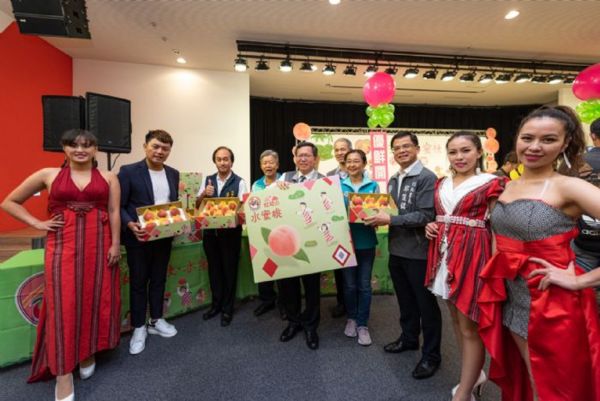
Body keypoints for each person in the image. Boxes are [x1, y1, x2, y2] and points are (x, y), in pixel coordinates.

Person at [477, 106, 600, 401]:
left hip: (553, 304)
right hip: (513, 297)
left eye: (548, 139)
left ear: (565, 143)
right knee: (531, 379)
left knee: (555, 388)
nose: (534, 147)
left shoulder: (569, 186)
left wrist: (581, 280)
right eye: (527, 138)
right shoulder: (508, 185)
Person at [1, 129, 121, 401]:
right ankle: (63, 373)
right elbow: (9, 202)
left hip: (99, 245)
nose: (80, 150)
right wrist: (36, 223)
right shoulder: (48, 174)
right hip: (62, 246)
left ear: (95, 149)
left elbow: (114, 211)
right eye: (73, 144)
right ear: (64, 148)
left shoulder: (109, 177)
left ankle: (87, 351)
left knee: (93, 298)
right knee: (63, 305)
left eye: (87, 145)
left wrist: (115, 244)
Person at [424, 132, 505, 401]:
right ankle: (473, 376)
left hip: (473, 256)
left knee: (470, 326)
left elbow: (499, 229)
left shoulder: (491, 182)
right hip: (444, 255)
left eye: (466, 150)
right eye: (453, 152)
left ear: (479, 152)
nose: (459, 157)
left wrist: (494, 267)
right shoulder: (442, 183)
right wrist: (431, 224)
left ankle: (464, 392)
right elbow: (441, 215)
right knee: (456, 321)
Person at [365, 132, 442, 380]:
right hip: (397, 249)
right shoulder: (393, 179)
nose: (401, 151)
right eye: (397, 148)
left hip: (419, 253)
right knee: (406, 301)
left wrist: (390, 219)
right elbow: (393, 212)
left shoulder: (426, 177)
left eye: (406, 146)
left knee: (426, 306)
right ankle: (409, 339)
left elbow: (425, 215)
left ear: (417, 148)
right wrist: (378, 217)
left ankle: (431, 355)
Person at [119, 130, 179, 355]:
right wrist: (129, 224)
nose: (160, 151)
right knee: (138, 282)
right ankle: (138, 327)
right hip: (139, 237)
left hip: (164, 237)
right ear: (145, 146)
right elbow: (120, 205)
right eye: (155, 146)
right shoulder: (128, 172)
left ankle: (156, 319)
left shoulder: (173, 173)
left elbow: (172, 204)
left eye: (165, 148)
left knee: (158, 279)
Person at [277, 141, 324, 350]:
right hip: (288, 241)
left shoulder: (324, 182)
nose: (302, 159)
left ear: (315, 159)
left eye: (307, 155)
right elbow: (270, 202)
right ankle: (293, 321)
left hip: (313, 243)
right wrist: (276, 190)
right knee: (289, 285)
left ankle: (311, 326)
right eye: (299, 155)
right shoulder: (284, 178)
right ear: (294, 158)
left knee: (312, 286)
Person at [196, 146, 247, 327]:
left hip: (230, 236)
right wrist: (204, 194)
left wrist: (235, 214)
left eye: (226, 159)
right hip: (210, 235)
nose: (223, 162)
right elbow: (196, 205)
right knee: (214, 270)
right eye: (219, 159)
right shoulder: (208, 180)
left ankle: (227, 308)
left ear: (231, 161)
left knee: (229, 271)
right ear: (215, 162)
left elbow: (243, 209)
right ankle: (216, 305)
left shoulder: (239, 182)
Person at [340, 149, 379, 346]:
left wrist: (376, 217)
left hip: (366, 241)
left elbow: (379, 211)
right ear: (344, 164)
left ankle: (363, 324)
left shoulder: (373, 185)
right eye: (349, 161)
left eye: (356, 161)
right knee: (349, 285)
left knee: (364, 285)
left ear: (364, 164)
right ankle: (352, 318)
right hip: (344, 242)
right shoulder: (337, 184)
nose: (352, 164)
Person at [251, 150, 284, 318]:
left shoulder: (285, 181)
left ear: (277, 165)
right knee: (265, 267)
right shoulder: (256, 185)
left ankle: (284, 304)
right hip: (262, 233)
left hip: (282, 233)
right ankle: (267, 300)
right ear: (260, 166)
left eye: (271, 162)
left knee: (284, 268)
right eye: (265, 163)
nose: (268, 166)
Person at [570, 118, 600, 280]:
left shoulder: (576, 162)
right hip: (583, 244)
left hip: (583, 241)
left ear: (592, 136)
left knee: (578, 287)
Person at [327, 137, 352, 318]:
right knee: (340, 267)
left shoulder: (359, 172)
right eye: (336, 150)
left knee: (355, 271)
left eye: (343, 149)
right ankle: (341, 302)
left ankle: (355, 305)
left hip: (356, 229)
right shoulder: (329, 176)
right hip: (337, 229)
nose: (340, 153)